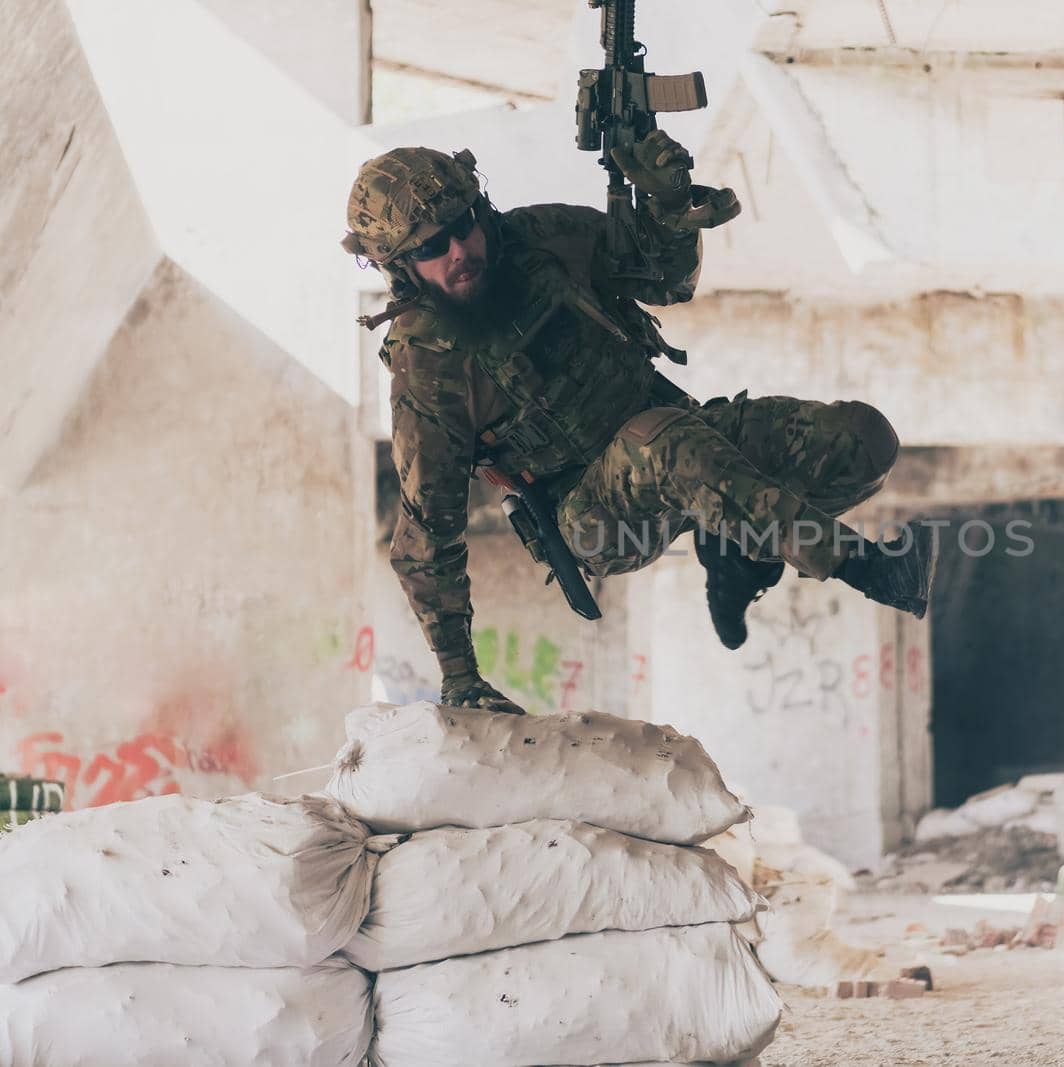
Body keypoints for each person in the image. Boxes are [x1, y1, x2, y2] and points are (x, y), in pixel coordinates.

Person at [340, 135, 936, 714]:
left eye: (464, 223)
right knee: (663, 442)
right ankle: (869, 569)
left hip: (683, 445)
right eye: (430, 248)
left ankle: (732, 548)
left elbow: (667, 282)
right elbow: (426, 539)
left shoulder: (542, 240)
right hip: (592, 519)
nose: (458, 251)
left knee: (861, 440)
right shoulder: (428, 365)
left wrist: (669, 211)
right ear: (401, 268)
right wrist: (462, 679)